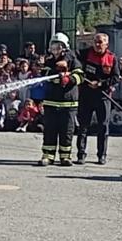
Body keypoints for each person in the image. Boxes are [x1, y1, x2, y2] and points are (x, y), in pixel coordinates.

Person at [75, 33, 122, 165]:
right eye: (95, 42)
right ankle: (81, 154)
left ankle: (102, 155)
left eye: (100, 42)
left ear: (106, 44)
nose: (97, 44)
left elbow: (116, 78)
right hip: (86, 95)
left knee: (103, 127)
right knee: (83, 126)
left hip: (103, 96)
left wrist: (100, 84)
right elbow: (72, 57)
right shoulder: (84, 53)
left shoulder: (112, 58)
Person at [38, 32, 83, 167]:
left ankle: (65, 156)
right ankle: (47, 156)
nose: (55, 50)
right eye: (53, 47)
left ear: (65, 47)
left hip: (68, 103)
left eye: (58, 47)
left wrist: (69, 79)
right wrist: (57, 74)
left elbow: (80, 77)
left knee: (67, 131)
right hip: (51, 102)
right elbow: (45, 73)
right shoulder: (49, 61)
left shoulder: (73, 60)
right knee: (50, 130)